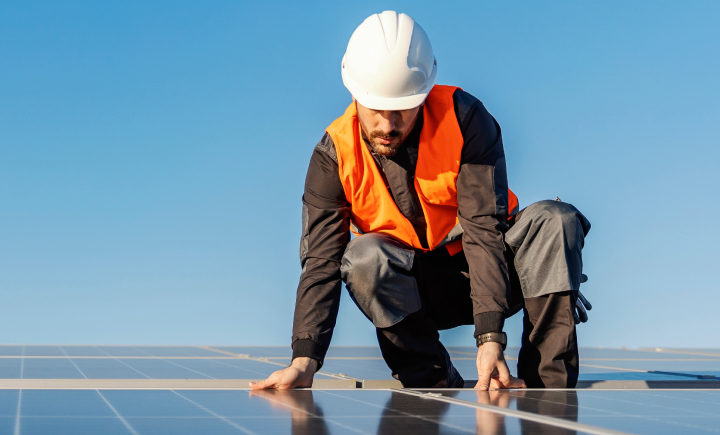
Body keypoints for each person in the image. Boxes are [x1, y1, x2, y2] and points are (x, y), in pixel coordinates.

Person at [250, 11, 591, 391]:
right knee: (362, 259)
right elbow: (321, 264)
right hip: (415, 290)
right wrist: (304, 360)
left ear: (424, 94)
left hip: (494, 269)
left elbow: (483, 228)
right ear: (355, 94)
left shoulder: (465, 120)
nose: (388, 124)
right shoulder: (334, 157)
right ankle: (432, 381)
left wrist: (491, 338)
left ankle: (547, 389)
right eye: (376, 109)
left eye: (401, 109)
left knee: (555, 221)